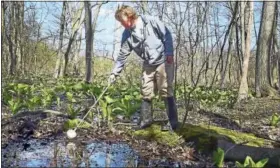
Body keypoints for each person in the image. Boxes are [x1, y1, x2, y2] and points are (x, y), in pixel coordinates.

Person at [109, 5, 178, 131]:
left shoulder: (150, 21)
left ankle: (173, 123)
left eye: (123, 21)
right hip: (148, 63)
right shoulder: (127, 35)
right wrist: (114, 73)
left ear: (130, 16)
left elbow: (167, 35)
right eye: (120, 22)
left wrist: (169, 53)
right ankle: (146, 120)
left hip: (163, 60)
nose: (122, 24)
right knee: (146, 90)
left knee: (165, 90)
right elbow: (122, 55)